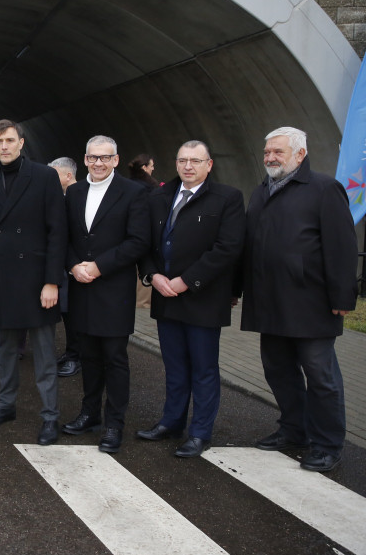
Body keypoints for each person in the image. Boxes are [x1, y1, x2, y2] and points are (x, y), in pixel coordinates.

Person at [240, 127, 356, 472]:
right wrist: (237, 289)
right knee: (278, 370)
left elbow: (342, 247)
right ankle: (294, 429)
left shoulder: (324, 189)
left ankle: (327, 444)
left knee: (321, 376)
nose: (271, 158)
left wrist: (343, 296)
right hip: (268, 301)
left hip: (311, 303)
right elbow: (249, 246)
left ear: (300, 154)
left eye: (278, 152)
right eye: (267, 153)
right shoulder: (261, 192)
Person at [136, 140, 245, 458]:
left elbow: (228, 248)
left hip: (202, 297)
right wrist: (152, 275)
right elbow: (146, 243)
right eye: (182, 160)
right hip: (165, 294)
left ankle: (200, 432)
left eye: (195, 161)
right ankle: (171, 422)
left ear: (209, 165)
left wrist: (187, 281)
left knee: (203, 368)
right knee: (174, 365)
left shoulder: (227, 198)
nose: (187, 166)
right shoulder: (160, 196)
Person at [0, 120, 65, 445]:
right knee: (6, 350)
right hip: (0, 281)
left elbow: (57, 233)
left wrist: (52, 281)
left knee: (43, 355)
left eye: (10, 140)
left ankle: (50, 417)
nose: (4, 146)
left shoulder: (44, 176)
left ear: (21, 143)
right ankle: (6, 405)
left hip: (37, 282)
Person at [62, 135, 150, 454]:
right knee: (88, 356)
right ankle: (89, 414)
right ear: (85, 160)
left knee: (114, 358)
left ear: (115, 160)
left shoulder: (134, 193)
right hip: (81, 287)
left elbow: (138, 241)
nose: (98, 163)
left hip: (113, 289)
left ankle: (114, 423)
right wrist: (73, 266)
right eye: (93, 157)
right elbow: (64, 237)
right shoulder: (74, 192)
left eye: (105, 158)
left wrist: (99, 266)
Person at [48, 157, 81, 378]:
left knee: (75, 315)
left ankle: (76, 357)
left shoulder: (80, 197)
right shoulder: (62, 196)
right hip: (65, 265)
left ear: (68, 176)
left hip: (78, 266)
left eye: (55, 174)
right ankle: (71, 352)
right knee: (68, 313)